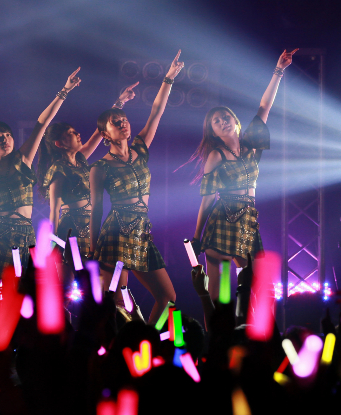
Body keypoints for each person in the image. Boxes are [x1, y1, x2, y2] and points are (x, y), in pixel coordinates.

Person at [189, 49, 298, 301]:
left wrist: (279, 71)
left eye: (225, 117)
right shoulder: (216, 155)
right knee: (219, 295)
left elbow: (264, 106)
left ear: (235, 121)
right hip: (223, 218)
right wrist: (196, 237)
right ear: (213, 131)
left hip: (248, 219)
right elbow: (207, 199)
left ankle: (249, 325)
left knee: (261, 287)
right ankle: (216, 326)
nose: (222, 121)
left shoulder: (251, 146)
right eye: (216, 121)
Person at [89, 51, 184, 324]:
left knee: (168, 297)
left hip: (142, 231)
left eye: (124, 120)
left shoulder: (140, 149)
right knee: (116, 303)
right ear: (105, 134)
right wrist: (93, 250)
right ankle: (119, 345)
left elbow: (156, 112)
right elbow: (96, 210)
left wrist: (168, 78)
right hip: (116, 233)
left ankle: (149, 341)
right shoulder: (100, 167)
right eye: (116, 122)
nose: (123, 123)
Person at [0, 68, 82, 284]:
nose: (5, 139)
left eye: (8, 135)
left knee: (25, 292)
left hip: (25, 235)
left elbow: (42, 124)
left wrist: (64, 91)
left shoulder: (22, 160)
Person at [37, 82, 138, 261]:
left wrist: (120, 102)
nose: (78, 134)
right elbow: (54, 211)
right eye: (71, 133)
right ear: (59, 144)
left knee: (91, 274)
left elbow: (100, 132)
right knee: (72, 276)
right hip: (70, 229)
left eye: (75, 131)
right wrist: (53, 244)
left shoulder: (81, 160)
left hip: (88, 228)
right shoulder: (58, 170)